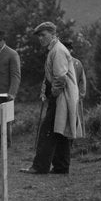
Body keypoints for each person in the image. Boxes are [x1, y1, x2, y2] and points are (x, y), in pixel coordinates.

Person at [21, 22, 81, 175]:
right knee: (59, 131)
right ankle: (61, 167)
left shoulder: (58, 50)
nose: (40, 38)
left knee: (46, 131)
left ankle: (40, 167)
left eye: (43, 35)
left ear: (53, 34)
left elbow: (60, 77)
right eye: (39, 36)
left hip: (62, 96)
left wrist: (53, 94)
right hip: (63, 96)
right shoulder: (55, 49)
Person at [63, 40, 87, 138]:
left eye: (69, 49)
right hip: (62, 94)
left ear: (71, 50)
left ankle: (75, 137)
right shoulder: (60, 62)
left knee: (74, 117)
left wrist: (81, 94)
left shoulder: (77, 63)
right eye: (66, 49)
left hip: (74, 95)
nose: (68, 51)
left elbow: (83, 80)